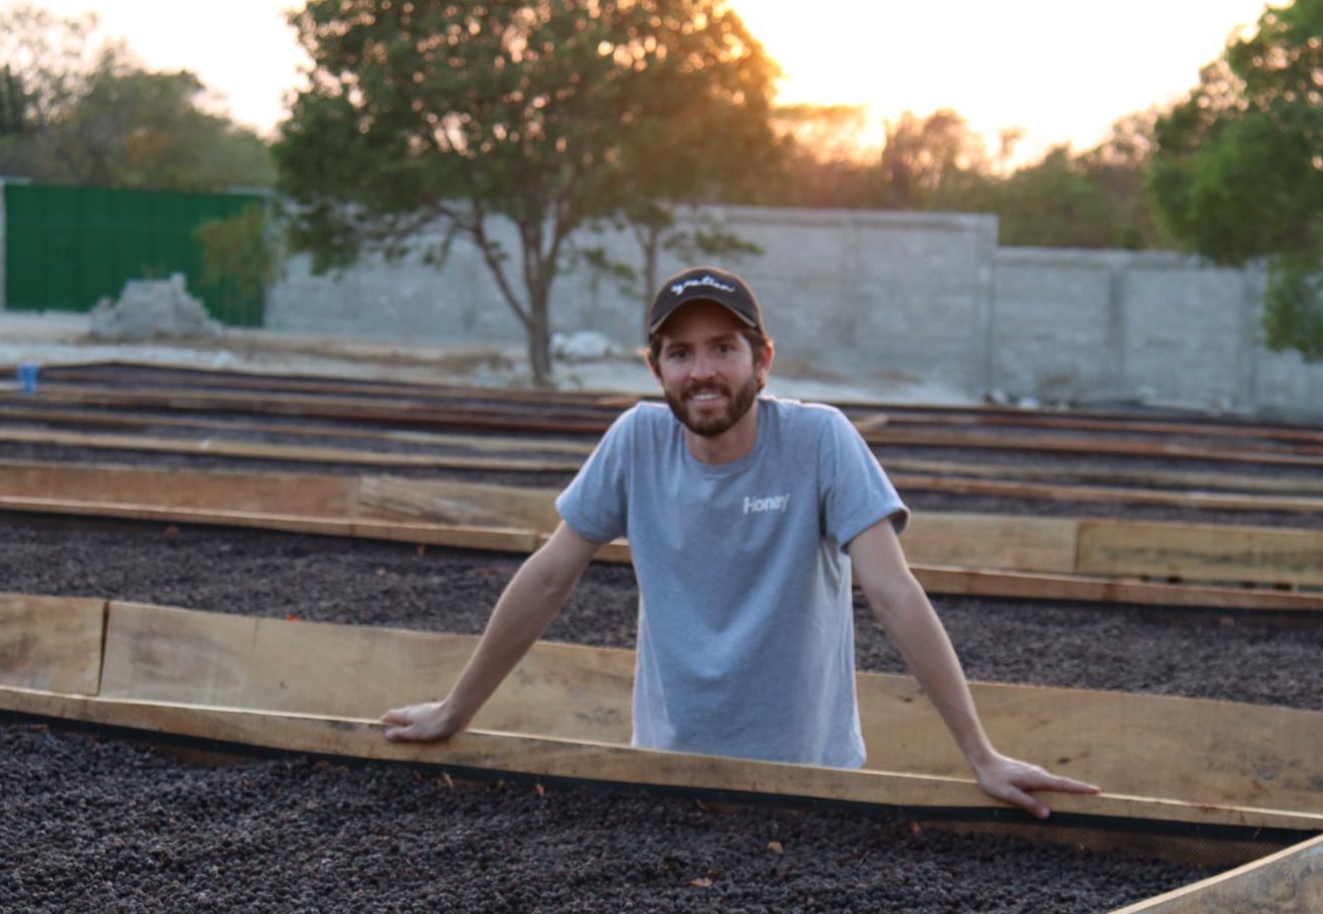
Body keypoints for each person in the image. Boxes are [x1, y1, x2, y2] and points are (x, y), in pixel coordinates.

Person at [382, 266, 1098, 818]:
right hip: (667, 778)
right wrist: (456, 711)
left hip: (809, 782)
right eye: (681, 353)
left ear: (762, 359)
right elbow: (548, 577)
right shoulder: (636, 441)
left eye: (723, 348)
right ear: (654, 367)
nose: (702, 372)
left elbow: (892, 590)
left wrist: (980, 754)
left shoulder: (820, 441)